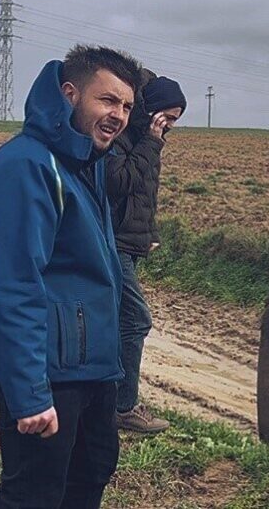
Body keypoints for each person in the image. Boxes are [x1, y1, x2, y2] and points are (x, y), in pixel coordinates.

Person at [0, 45, 143, 508]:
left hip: (93, 370)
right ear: (70, 95)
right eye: (107, 100)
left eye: (126, 106)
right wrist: (29, 393)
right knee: (35, 495)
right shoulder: (25, 166)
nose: (119, 115)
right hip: (51, 375)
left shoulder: (86, 163)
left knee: (88, 479)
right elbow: (10, 286)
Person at [105, 69, 186, 433]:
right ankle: (122, 407)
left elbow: (144, 196)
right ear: (151, 110)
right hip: (111, 244)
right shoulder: (125, 137)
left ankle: (106, 397)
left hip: (128, 243)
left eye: (174, 121)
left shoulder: (144, 138)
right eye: (166, 117)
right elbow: (119, 182)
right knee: (136, 319)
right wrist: (151, 143)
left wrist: (148, 234)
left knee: (114, 320)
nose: (168, 125)